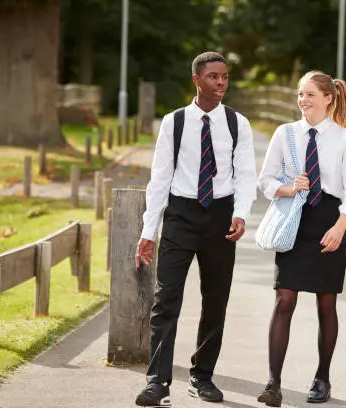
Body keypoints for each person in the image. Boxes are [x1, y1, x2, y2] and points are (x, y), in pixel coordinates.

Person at [134, 51, 257, 407]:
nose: (221, 83)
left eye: (225, 77)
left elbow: (245, 175)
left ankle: (202, 376)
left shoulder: (238, 124)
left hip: (220, 217)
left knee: (215, 300)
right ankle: (157, 382)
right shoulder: (174, 123)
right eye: (214, 77)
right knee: (165, 299)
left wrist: (241, 213)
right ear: (197, 80)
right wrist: (149, 231)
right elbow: (159, 179)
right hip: (181, 215)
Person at [256, 71, 346, 407]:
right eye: (300, 94)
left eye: (310, 94)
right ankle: (273, 382)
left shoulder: (345, 139)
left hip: (330, 223)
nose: (303, 101)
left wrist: (341, 227)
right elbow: (266, 181)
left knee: (325, 303)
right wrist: (289, 188)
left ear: (329, 98)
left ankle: (322, 377)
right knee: (284, 299)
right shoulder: (284, 134)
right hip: (295, 222)